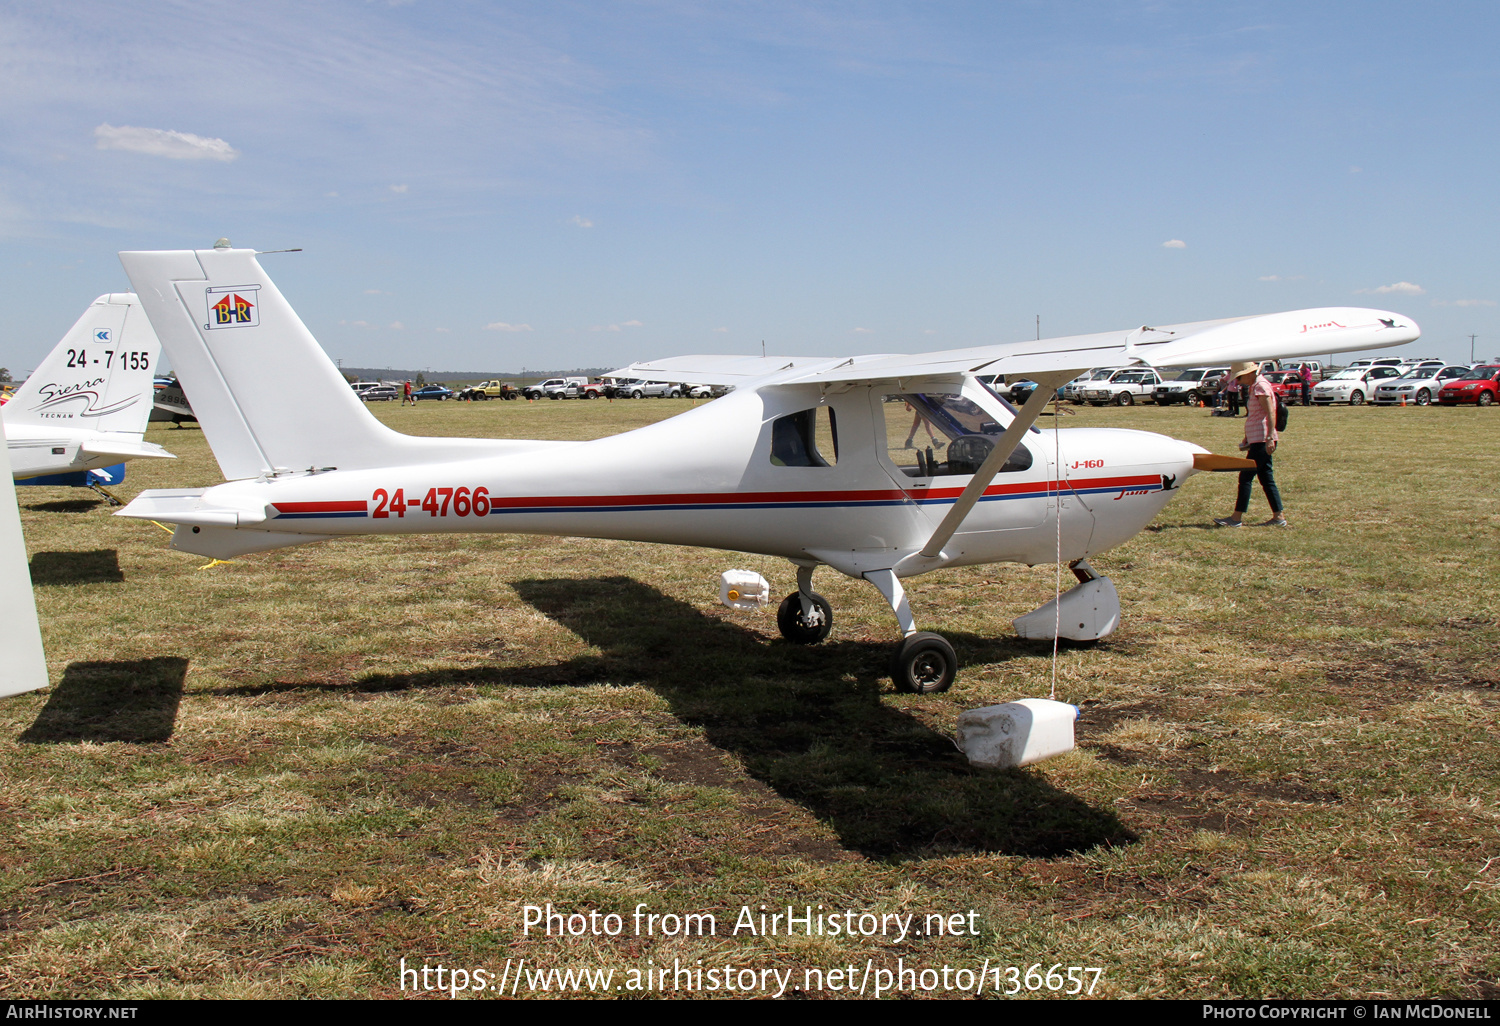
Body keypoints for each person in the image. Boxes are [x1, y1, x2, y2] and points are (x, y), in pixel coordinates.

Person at [1214, 361, 1286, 528]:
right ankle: (1278, 516)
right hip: (1257, 438)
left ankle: (1236, 518)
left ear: (1249, 373)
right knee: (1266, 477)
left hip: (1262, 439)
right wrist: (1248, 436)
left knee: (1246, 477)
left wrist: (1269, 437)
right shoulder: (1256, 386)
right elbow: (1255, 415)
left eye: (1239, 377)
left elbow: (1270, 413)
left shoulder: (1260, 386)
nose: (1237, 381)